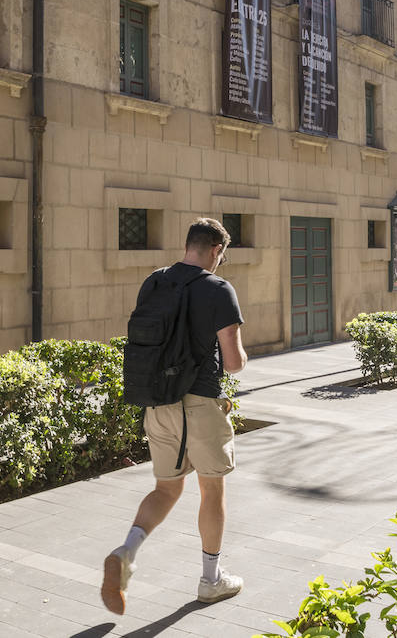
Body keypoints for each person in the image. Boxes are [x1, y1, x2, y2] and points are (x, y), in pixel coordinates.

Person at [101, 217, 249, 615]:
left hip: (158, 403)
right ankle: (211, 579)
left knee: (166, 489)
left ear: (188, 246)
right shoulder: (219, 289)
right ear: (217, 251)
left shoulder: (156, 281)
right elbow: (233, 363)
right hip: (199, 404)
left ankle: (125, 552)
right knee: (211, 489)